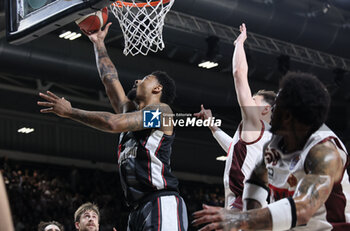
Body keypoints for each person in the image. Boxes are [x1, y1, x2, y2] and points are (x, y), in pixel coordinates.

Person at [38, 22, 188, 231]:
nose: (137, 80)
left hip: (160, 201)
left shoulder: (163, 113)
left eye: (144, 79)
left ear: (157, 88)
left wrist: (71, 112)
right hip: (137, 208)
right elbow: (109, 79)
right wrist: (98, 43)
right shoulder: (131, 112)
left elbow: (112, 123)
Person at [192, 72, 350, 231]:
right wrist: (248, 218)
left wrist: (242, 218)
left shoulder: (324, 152)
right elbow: (256, 182)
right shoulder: (275, 144)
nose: (272, 110)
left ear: (289, 114)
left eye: (277, 106)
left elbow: (303, 209)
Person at [194, 23, 275, 210]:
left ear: (265, 110)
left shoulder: (256, 125)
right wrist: (213, 126)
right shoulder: (266, 140)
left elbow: (239, 74)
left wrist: (239, 43)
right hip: (256, 210)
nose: (249, 101)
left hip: (245, 210)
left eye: (254, 100)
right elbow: (234, 149)